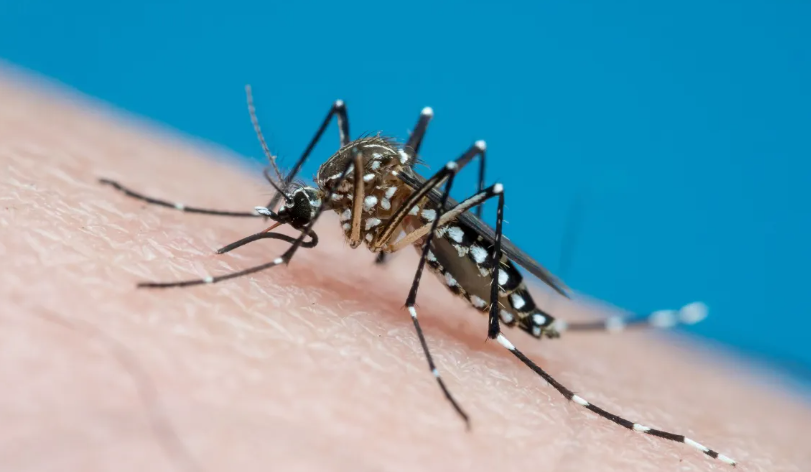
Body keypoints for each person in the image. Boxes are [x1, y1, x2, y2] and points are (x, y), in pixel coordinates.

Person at [1, 72, 806, 471]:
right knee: (407, 182)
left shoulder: (365, 186)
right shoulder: (338, 176)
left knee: (466, 182)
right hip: (407, 218)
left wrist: (415, 299)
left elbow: (421, 188)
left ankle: (486, 324)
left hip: (450, 242)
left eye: (299, 218)